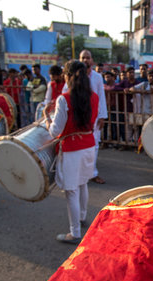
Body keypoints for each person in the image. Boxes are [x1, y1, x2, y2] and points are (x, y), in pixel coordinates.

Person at [46, 60, 99, 244]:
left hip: (73, 149)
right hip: (88, 145)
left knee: (71, 190)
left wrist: (46, 118)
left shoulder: (64, 99)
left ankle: (75, 232)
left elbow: (54, 131)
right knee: (83, 183)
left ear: (67, 77)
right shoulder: (94, 96)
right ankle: (82, 217)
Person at [62, 50, 108, 184]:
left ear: (92, 60)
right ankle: (78, 174)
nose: (86, 60)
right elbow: (65, 93)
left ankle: (92, 173)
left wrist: (103, 116)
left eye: (88, 58)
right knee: (76, 145)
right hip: (76, 116)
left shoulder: (98, 77)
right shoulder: (71, 77)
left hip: (94, 117)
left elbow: (101, 97)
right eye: (83, 58)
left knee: (94, 146)